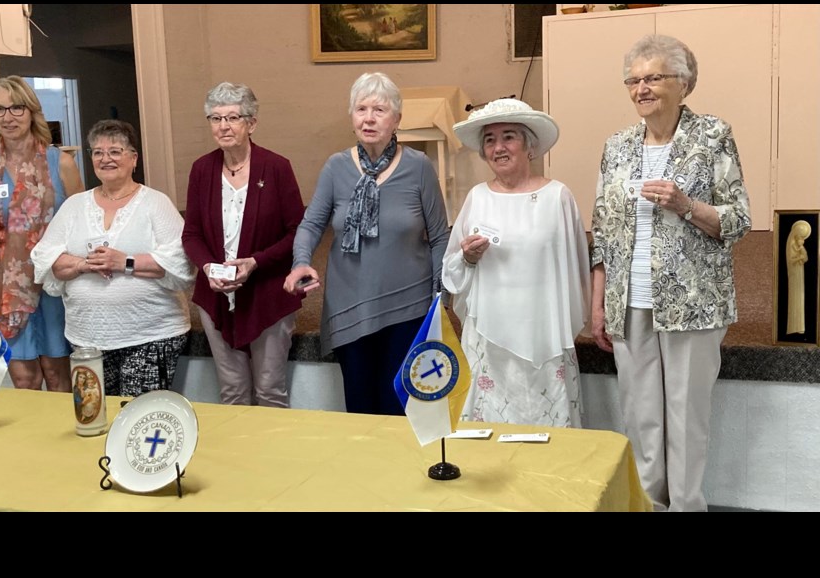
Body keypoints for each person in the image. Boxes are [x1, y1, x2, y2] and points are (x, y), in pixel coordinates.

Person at [590, 34, 752, 512]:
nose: (642, 88)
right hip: (629, 300)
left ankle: (685, 506)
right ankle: (649, 505)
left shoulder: (712, 136)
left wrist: (685, 205)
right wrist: (597, 303)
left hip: (693, 300)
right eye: (634, 80)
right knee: (641, 417)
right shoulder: (616, 145)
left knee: (685, 417)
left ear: (683, 83)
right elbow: (601, 230)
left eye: (653, 77)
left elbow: (738, 220)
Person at [284, 72, 450, 415]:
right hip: (350, 307)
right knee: (359, 407)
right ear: (351, 117)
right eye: (361, 109)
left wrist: (440, 296)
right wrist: (301, 260)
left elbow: (439, 236)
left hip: (408, 306)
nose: (369, 118)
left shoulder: (419, 167)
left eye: (379, 109)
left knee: (399, 405)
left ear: (397, 120)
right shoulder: (336, 167)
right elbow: (312, 223)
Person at [444, 99, 590, 427]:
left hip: (544, 332)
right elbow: (451, 271)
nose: (499, 147)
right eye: (490, 140)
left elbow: (577, 264)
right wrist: (467, 257)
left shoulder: (558, 197)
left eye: (508, 136)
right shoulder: (477, 197)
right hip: (488, 336)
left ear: (530, 145)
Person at [31, 120, 196, 397]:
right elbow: (47, 260)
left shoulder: (155, 203)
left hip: (150, 336)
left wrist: (124, 263)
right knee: (96, 417)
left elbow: (180, 263)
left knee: (136, 420)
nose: (105, 159)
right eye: (97, 152)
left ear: (134, 159)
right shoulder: (74, 206)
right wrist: (85, 264)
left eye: (115, 151)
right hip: (86, 339)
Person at [182, 82, 305, 407]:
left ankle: (271, 458)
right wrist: (208, 267)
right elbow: (191, 234)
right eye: (215, 118)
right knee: (233, 391)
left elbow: (297, 232)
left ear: (251, 123)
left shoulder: (276, 167)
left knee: (269, 390)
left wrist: (255, 262)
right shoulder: (201, 170)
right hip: (216, 292)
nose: (223, 126)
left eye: (233, 117)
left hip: (268, 291)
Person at [0, 76, 83, 392]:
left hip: (52, 285)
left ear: (31, 111)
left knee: (59, 377)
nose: (8, 117)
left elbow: (82, 228)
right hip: (5, 288)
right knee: (24, 379)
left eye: (16, 107)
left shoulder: (62, 163)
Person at [786, 220, 811, 335]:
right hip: (795, 272)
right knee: (795, 294)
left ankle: (800, 325)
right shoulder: (792, 245)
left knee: (799, 295)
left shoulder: (801, 248)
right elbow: (791, 260)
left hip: (799, 271)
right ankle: (794, 325)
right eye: (800, 238)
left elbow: (805, 258)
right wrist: (798, 258)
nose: (802, 240)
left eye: (802, 238)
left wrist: (800, 256)